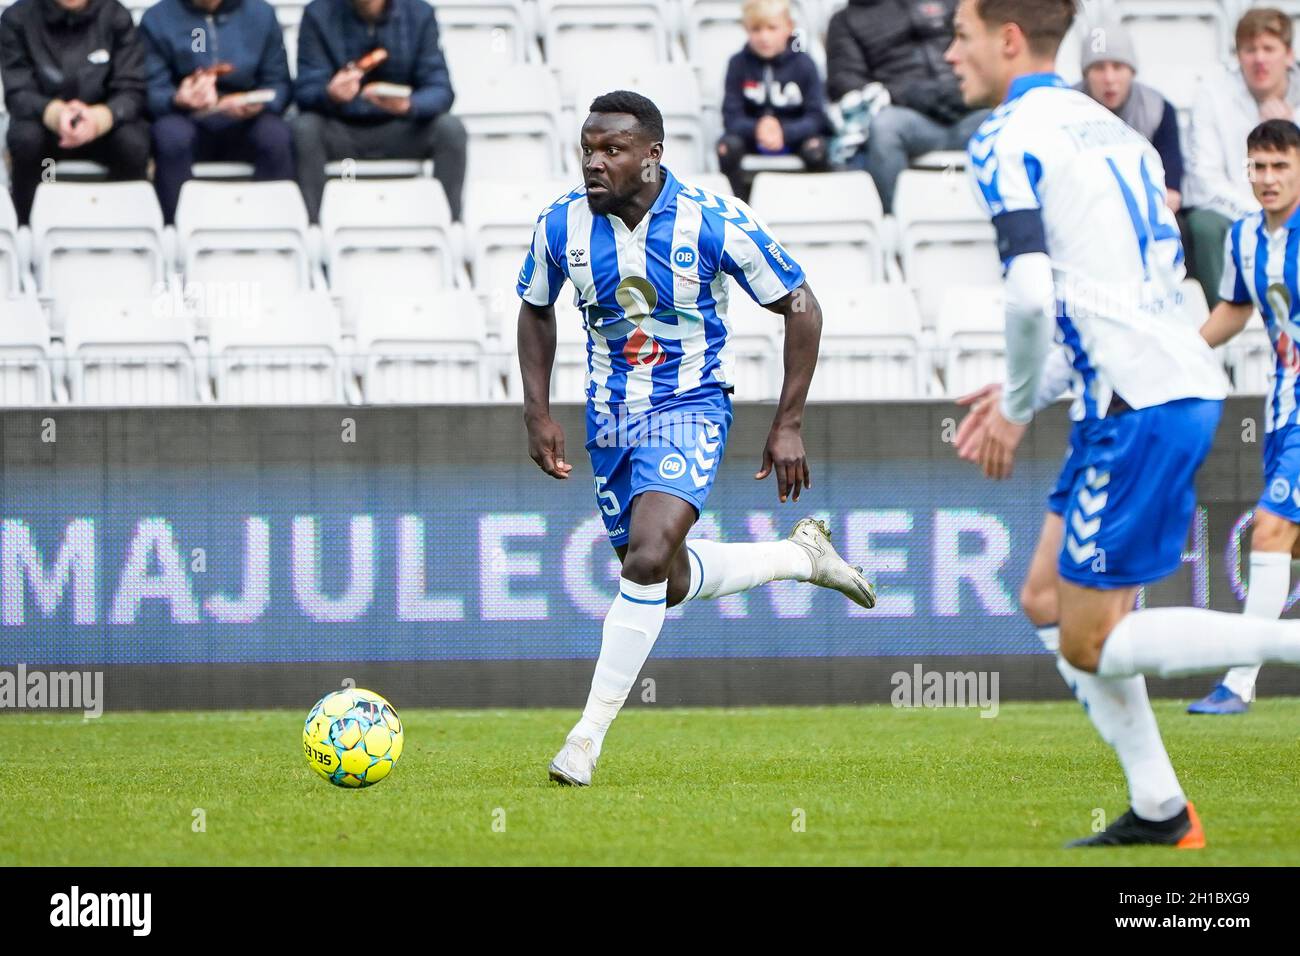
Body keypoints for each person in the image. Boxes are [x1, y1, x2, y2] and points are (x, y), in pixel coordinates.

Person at [946, 0, 1300, 848]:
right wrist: (1034, 385)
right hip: (1159, 385)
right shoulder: (1119, 137)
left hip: (1134, 406)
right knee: (1042, 597)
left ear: (1005, 38)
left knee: (1090, 641)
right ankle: (1160, 810)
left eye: (959, 37)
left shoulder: (1005, 136)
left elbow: (1032, 289)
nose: (949, 55)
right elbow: (1125, 295)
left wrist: (1023, 404)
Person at [516, 90, 877, 788]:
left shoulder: (712, 220)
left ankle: (584, 741)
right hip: (609, 419)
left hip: (690, 406)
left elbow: (800, 303)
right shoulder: (560, 224)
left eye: (611, 150)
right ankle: (800, 558)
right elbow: (534, 310)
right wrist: (536, 410)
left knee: (646, 559)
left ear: (651, 157)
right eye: (588, 148)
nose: (594, 162)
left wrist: (789, 420)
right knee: (665, 576)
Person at [1189, 120, 1300, 715]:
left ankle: (1238, 681)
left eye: (1280, 165)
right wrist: (1178, 354)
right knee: (1291, 546)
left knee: (1271, 528)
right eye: (1258, 166)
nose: (1268, 178)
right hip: (1282, 409)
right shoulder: (1244, 238)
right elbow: (1235, 308)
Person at [292, 0, 467, 222]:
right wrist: (330, 94)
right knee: (304, 128)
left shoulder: (419, 12)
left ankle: (447, 228)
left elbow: (441, 90)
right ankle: (313, 230)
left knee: (450, 129)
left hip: (402, 129)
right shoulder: (318, 13)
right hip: (341, 130)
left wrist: (409, 104)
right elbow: (305, 91)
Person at [1184, 7, 1300, 306]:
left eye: (1268, 48)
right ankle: (1223, 331)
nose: (1259, 58)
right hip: (1233, 210)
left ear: (1288, 54)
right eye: (1250, 49)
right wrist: (1258, 213)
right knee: (1204, 225)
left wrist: (1291, 129)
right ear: (1238, 55)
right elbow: (1204, 181)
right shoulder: (1212, 93)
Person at [141, 0, 294, 224]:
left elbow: (279, 83)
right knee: (170, 136)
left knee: (276, 136)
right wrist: (177, 98)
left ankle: (273, 229)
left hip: (246, 118)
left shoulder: (261, 14)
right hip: (186, 117)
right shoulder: (158, 18)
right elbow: (149, 91)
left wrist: (261, 102)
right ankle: (178, 231)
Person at [826, 0, 985, 212]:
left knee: (1013, 114)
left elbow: (983, 47)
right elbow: (847, 84)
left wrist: (967, 91)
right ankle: (895, 224)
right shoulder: (845, 20)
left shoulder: (952, 3)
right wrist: (906, 95)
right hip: (909, 119)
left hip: (970, 110)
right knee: (885, 127)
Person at [0, 0, 148, 224]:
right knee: (26, 139)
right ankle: (30, 228)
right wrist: (54, 113)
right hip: (45, 127)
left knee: (132, 142)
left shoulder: (116, 16)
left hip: (103, 127)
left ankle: (122, 226)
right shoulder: (18, 19)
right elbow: (18, 91)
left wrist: (99, 119)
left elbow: (131, 88)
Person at [717, 0, 829, 201]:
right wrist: (757, 129)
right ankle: (739, 209)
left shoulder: (805, 64)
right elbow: (731, 117)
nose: (764, 36)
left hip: (794, 137)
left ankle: (813, 203)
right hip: (751, 137)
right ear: (746, 29)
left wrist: (784, 132)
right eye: (756, 29)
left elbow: (816, 117)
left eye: (772, 28)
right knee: (727, 148)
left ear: (789, 27)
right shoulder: (737, 64)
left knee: (817, 149)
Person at [1075, 14, 1182, 213]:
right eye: (1098, 68)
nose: (1109, 78)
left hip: (1144, 211)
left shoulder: (1157, 108)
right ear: (1086, 74)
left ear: (1131, 71)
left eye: (1117, 67)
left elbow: (1172, 192)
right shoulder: (1066, 106)